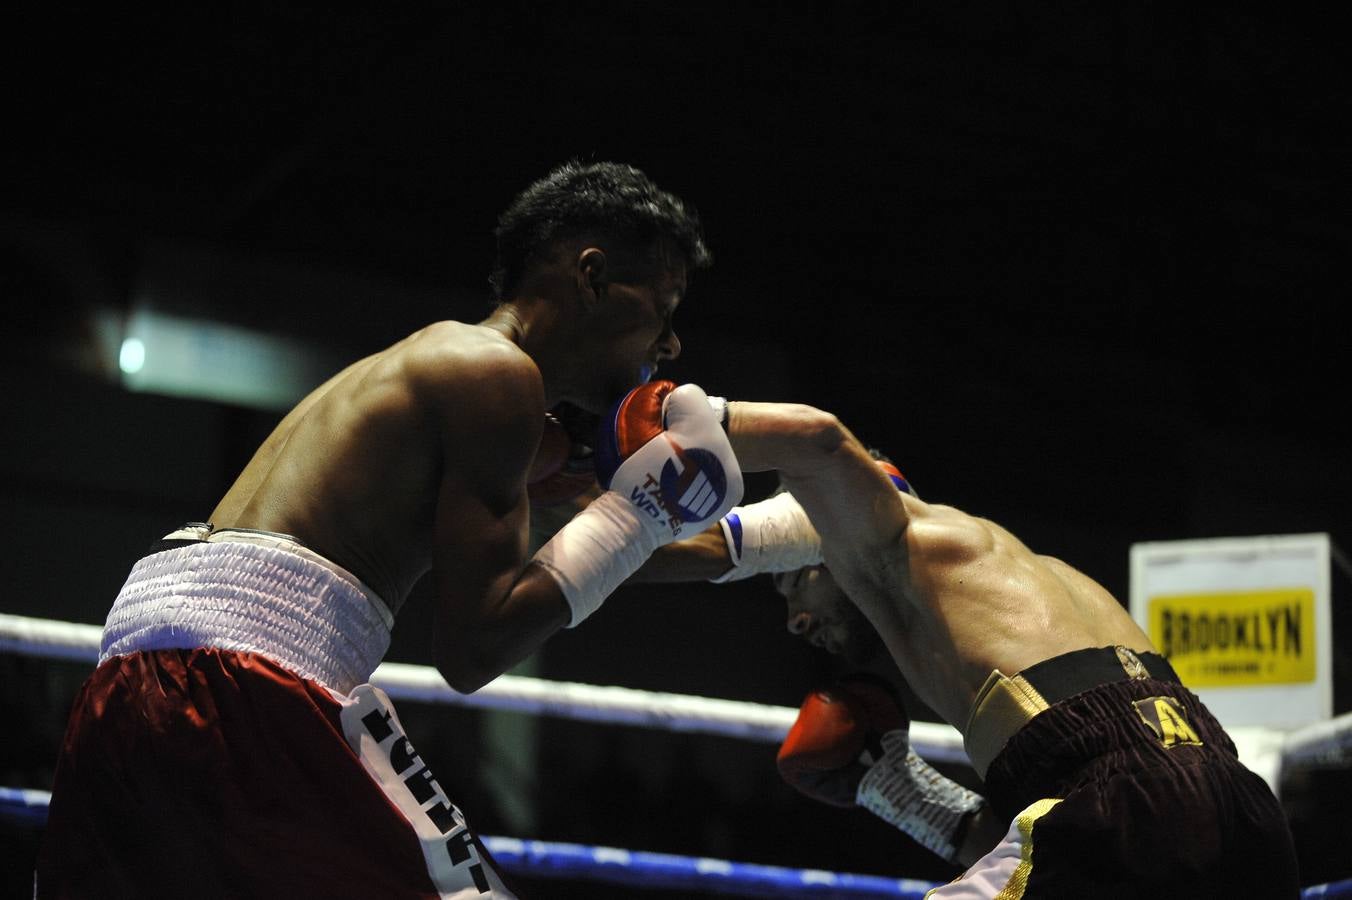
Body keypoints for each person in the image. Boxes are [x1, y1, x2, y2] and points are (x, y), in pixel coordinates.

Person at [35, 161, 743, 899]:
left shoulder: (434, 377)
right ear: (592, 276)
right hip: (246, 676)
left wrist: (760, 541)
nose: (669, 345)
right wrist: (640, 515)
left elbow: (583, 563)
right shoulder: (495, 373)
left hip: (135, 672)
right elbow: (474, 647)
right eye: (662, 306)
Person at [636, 393, 1301, 897]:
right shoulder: (1040, 585)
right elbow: (1106, 816)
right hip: (1243, 813)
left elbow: (820, 441)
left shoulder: (909, 543)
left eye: (787, 587)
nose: (795, 623)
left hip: (1124, 810)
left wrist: (633, 452)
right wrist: (906, 794)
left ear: (817, 545)